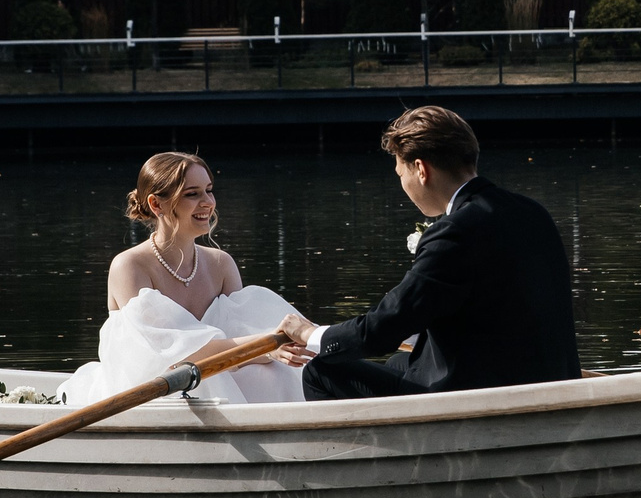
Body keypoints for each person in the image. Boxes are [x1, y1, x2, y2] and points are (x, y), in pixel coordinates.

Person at [275, 106, 579, 400]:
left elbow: (384, 328)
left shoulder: (455, 232)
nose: (403, 185)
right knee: (398, 363)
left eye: (399, 173)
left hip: (481, 393)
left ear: (420, 169)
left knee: (321, 370)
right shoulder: (532, 212)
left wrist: (311, 334)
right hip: (551, 377)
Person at [64, 151, 309, 406]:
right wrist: (265, 344)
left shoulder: (220, 264)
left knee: (272, 373)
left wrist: (273, 347)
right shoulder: (130, 266)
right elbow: (174, 355)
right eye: (192, 194)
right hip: (149, 390)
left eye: (209, 190)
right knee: (212, 378)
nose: (208, 202)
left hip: (218, 380)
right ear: (157, 204)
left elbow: (239, 339)